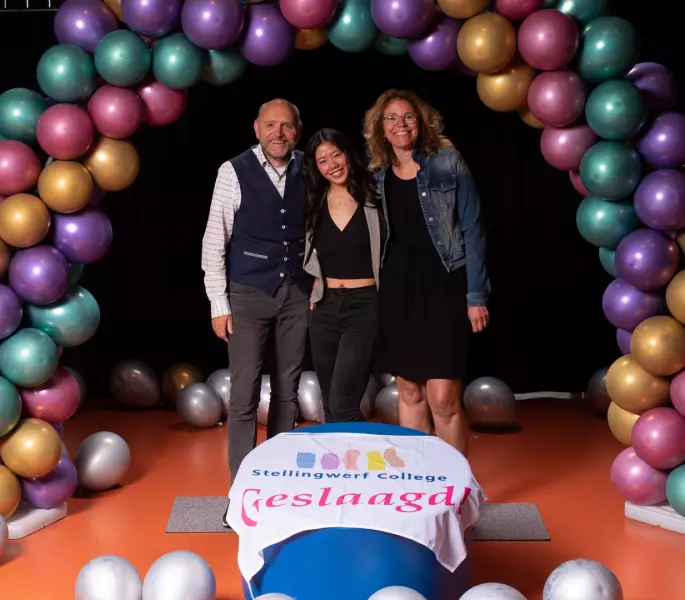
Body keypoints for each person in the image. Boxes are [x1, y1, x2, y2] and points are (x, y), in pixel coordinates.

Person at [201, 98, 312, 529]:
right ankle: (242, 496)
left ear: (297, 131)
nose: (278, 133)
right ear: (257, 128)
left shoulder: (310, 168)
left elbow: (316, 230)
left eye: (287, 126)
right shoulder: (232, 171)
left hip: (297, 293)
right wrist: (218, 303)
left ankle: (278, 488)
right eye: (271, 125)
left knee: (287, 390)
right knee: (244, 395)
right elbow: (215, 240)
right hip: (247, 293)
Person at [362, 89, 490, 457]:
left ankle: (454, 481)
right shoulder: (375, 174)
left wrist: (476, 296)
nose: (400, 124)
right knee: (408, 390)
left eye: (408, 117)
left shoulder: (447, 162)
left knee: (444, 397)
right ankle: (419, 479)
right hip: (397, 287)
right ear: (380, 128)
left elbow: (473, 231)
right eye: (391, 118)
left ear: (421, 122)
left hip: (444, 283)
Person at [302, 128, 385, 423]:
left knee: (343, 405)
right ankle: (340, 456)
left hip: (363, 306)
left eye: (336, 155)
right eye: (322, 161)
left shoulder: (375, 195)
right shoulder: (314, 202)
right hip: (324, 308)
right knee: (329, 407)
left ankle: (366, 455)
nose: (332, 165)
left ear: (348, 154)